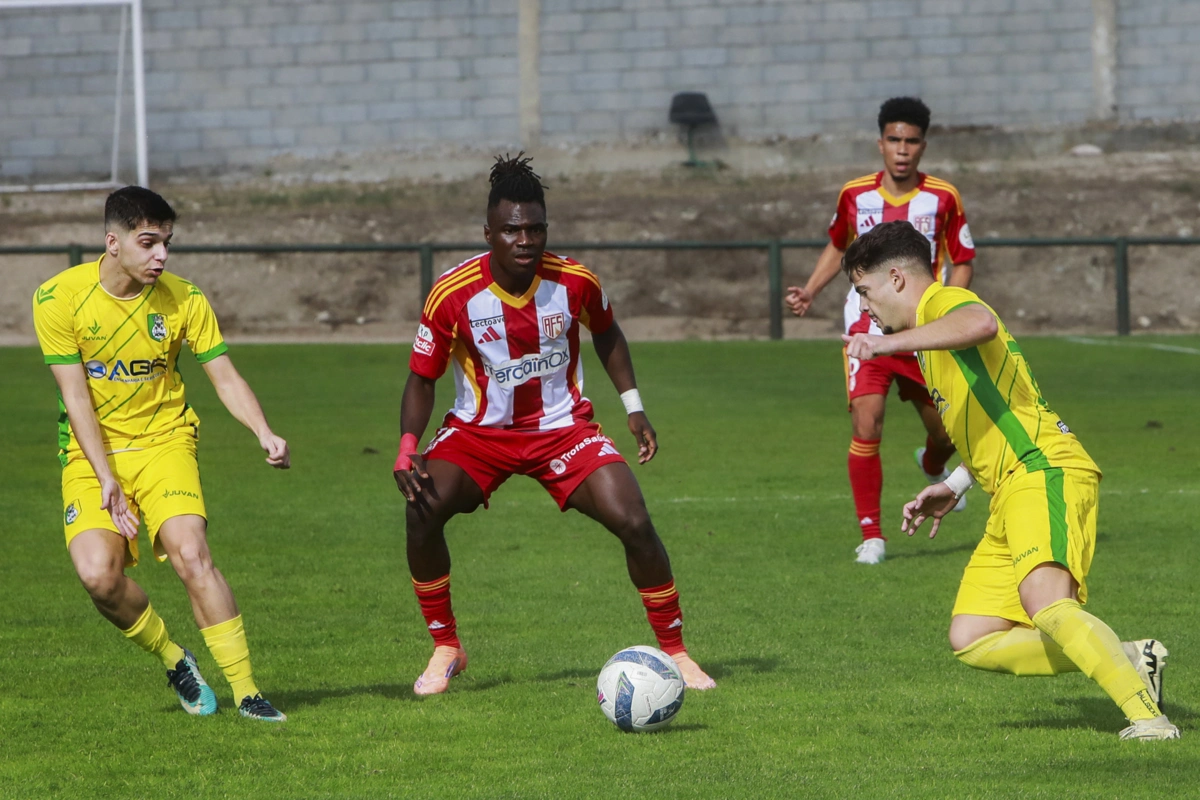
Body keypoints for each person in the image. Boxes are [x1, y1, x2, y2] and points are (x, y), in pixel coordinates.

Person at [841, 219, 1179, 741]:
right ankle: (1132, 657)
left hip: (1044, 470)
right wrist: (954, 485)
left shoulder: (943, 303)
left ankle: (1148, 718)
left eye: (865, 291)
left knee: (1046, 604)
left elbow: (980, 322)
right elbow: (990, 418)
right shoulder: (931, 344)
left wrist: (886, 347)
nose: (865, 307)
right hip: (1008, 488)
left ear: (897, 278)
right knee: (972, 635)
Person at [393, 154, 716, 695]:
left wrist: (633, 405)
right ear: (489, 233)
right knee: (421, 509)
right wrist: (407, 446)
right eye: (512, 229)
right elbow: (421, 377)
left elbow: (608, 333)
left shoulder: (575, 281)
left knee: (634, 520)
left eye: (536, 228)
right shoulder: (452, 294)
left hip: (562, 429)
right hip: (478, 435)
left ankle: (676, 651)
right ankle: (446, 646)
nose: (526, 239)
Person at [32, 186, 288, 722]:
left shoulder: (185, 299)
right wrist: (106, 477)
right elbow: (76, 397)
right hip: (90, 453)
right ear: (113, 242)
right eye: (148, 243)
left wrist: (263, 431)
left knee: (192, 554)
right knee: (98, 576)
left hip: (165, 440)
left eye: (167, 243)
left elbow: (224, 375)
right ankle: (175, 659)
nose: (161, 256)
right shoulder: (57, 299)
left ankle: (247, 691)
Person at [786, 97, 976, 565]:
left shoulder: (943, 198)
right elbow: (837, 246)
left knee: (948, 434)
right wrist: (810, 290)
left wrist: (945, 314)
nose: (902, 149)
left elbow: (962, 260)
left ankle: (933, 465)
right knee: (865, 423)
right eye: (894, 139)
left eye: (911, 141)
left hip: (923, 335)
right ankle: (873, 535)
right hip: (865, 331)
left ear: (923, 146)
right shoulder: (854, 195)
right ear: (881, 143)